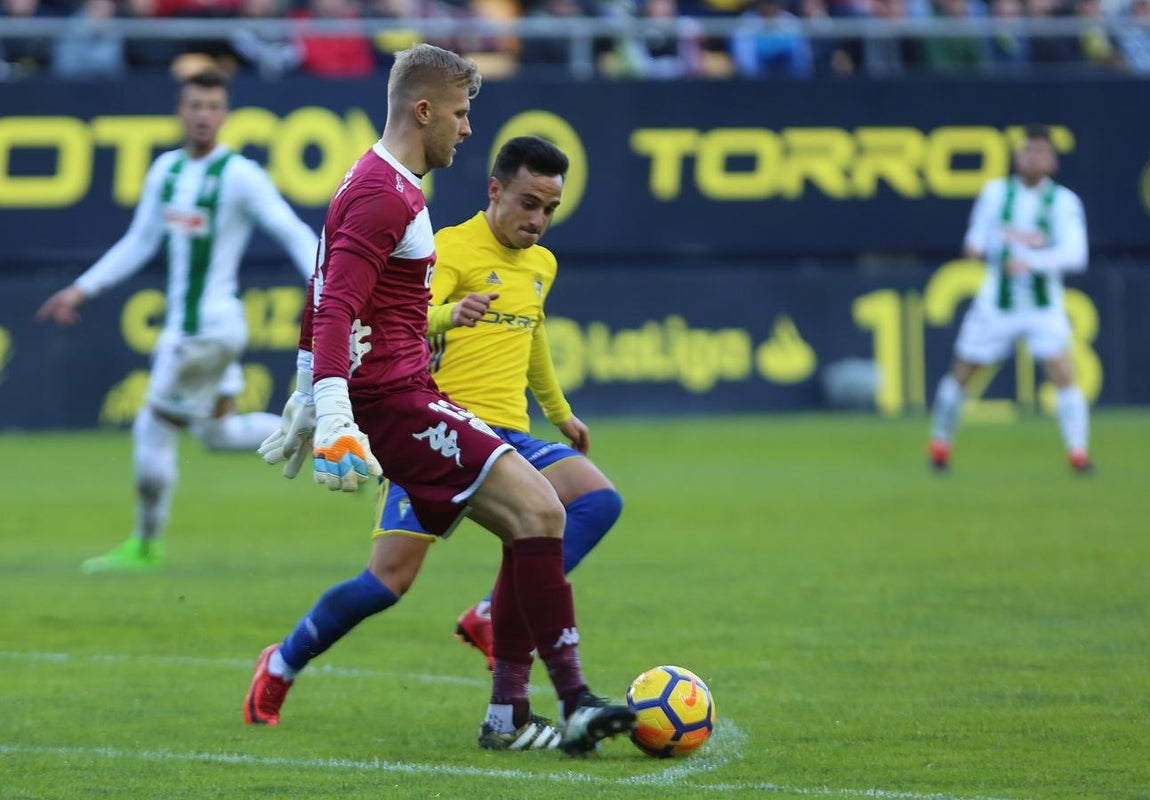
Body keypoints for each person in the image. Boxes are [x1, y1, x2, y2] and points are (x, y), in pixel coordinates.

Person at [244, 43, 635, 755]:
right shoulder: (383, 194)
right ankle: (565, 702)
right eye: (460, 114)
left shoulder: (387, 186)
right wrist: (332, 414)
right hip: (398, 403)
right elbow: (336, 306)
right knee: (541, 511)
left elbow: (322, 285)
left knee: (535, 520)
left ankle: (514, 715)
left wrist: (306, 389)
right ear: (423, 111)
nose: (467, 128)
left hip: (408, 396)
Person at [36, 69, 319, 573]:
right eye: (195, 105)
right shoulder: (165, 171)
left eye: (213, 105)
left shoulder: (239, 175)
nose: (204, 114)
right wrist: (83, 287)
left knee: (151, 426)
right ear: (180, 112)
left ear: (225, 114)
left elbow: (293, 232)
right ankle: (318, 431)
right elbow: (140, 241)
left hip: (205, 330)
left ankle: (146, 545)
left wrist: (329, 286)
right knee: (218, 432)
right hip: (193, 330)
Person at [362, 135, 622, 672]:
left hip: (511, 435)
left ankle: (494, 628)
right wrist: (451, 313)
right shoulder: (452, 247)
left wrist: (560, 413)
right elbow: (407, 315)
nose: (538, 220)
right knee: (387, 581)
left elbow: (534, 337)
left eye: (549, 209)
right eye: (529, 204)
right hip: (442, 435)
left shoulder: (542, 264)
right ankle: (284, 660)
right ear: (495, 190)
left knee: (595, 502)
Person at [927, 124, 1092, 474]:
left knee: (1063, 372)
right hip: (997, 304)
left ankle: (1078, 454)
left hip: (1042, 305)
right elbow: (975, 240)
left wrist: (1030, 261)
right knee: (962, 372)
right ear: (1017, 157)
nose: (1034, 158)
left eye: (1041, 152)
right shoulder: (995, 193)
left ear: (1053, 161)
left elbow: (1076, 256)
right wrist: (976, 248)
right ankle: (940, 443)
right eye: (1028, 151)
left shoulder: (1063, 203)